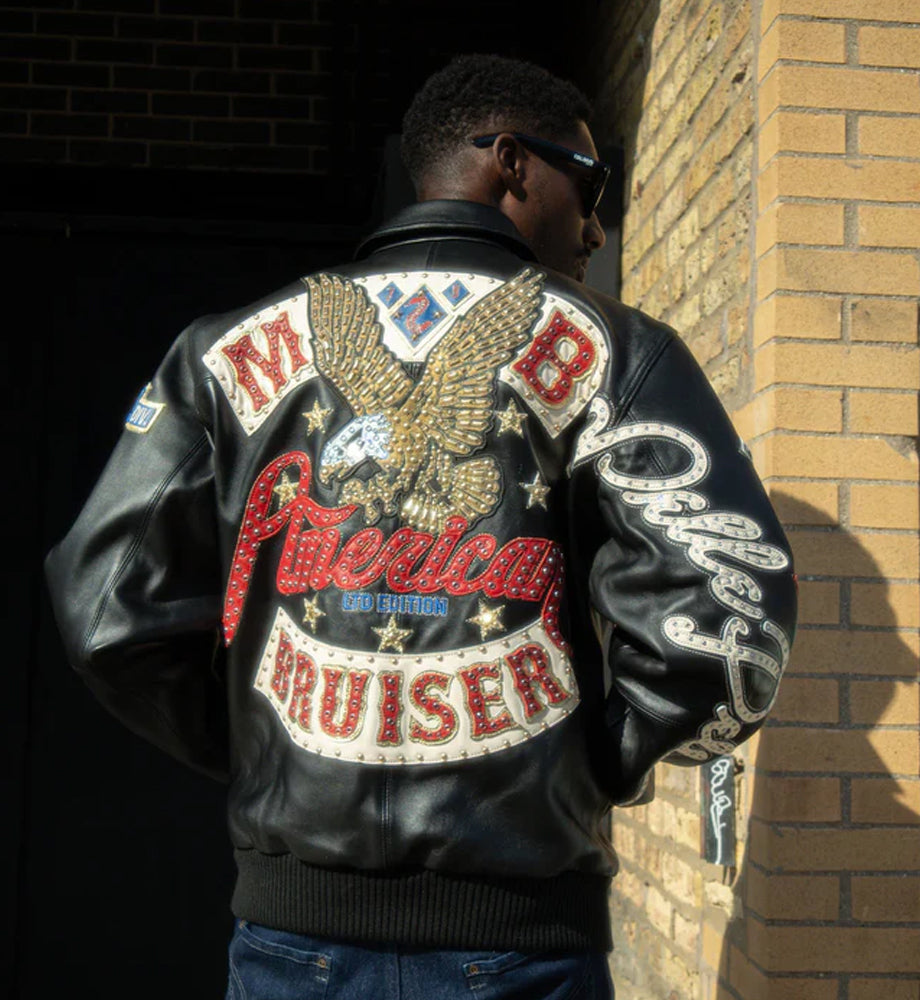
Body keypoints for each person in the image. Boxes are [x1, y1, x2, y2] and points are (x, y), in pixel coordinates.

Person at [46, 54, 797, 1000]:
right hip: (521, 943)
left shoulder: (219, 349)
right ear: (513, 163)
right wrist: (594, 765)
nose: (597, 226)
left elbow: (105, 610)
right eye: (591, 184)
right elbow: (730, 616)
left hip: (291, 943)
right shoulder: (619, 351)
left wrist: (272, 754)